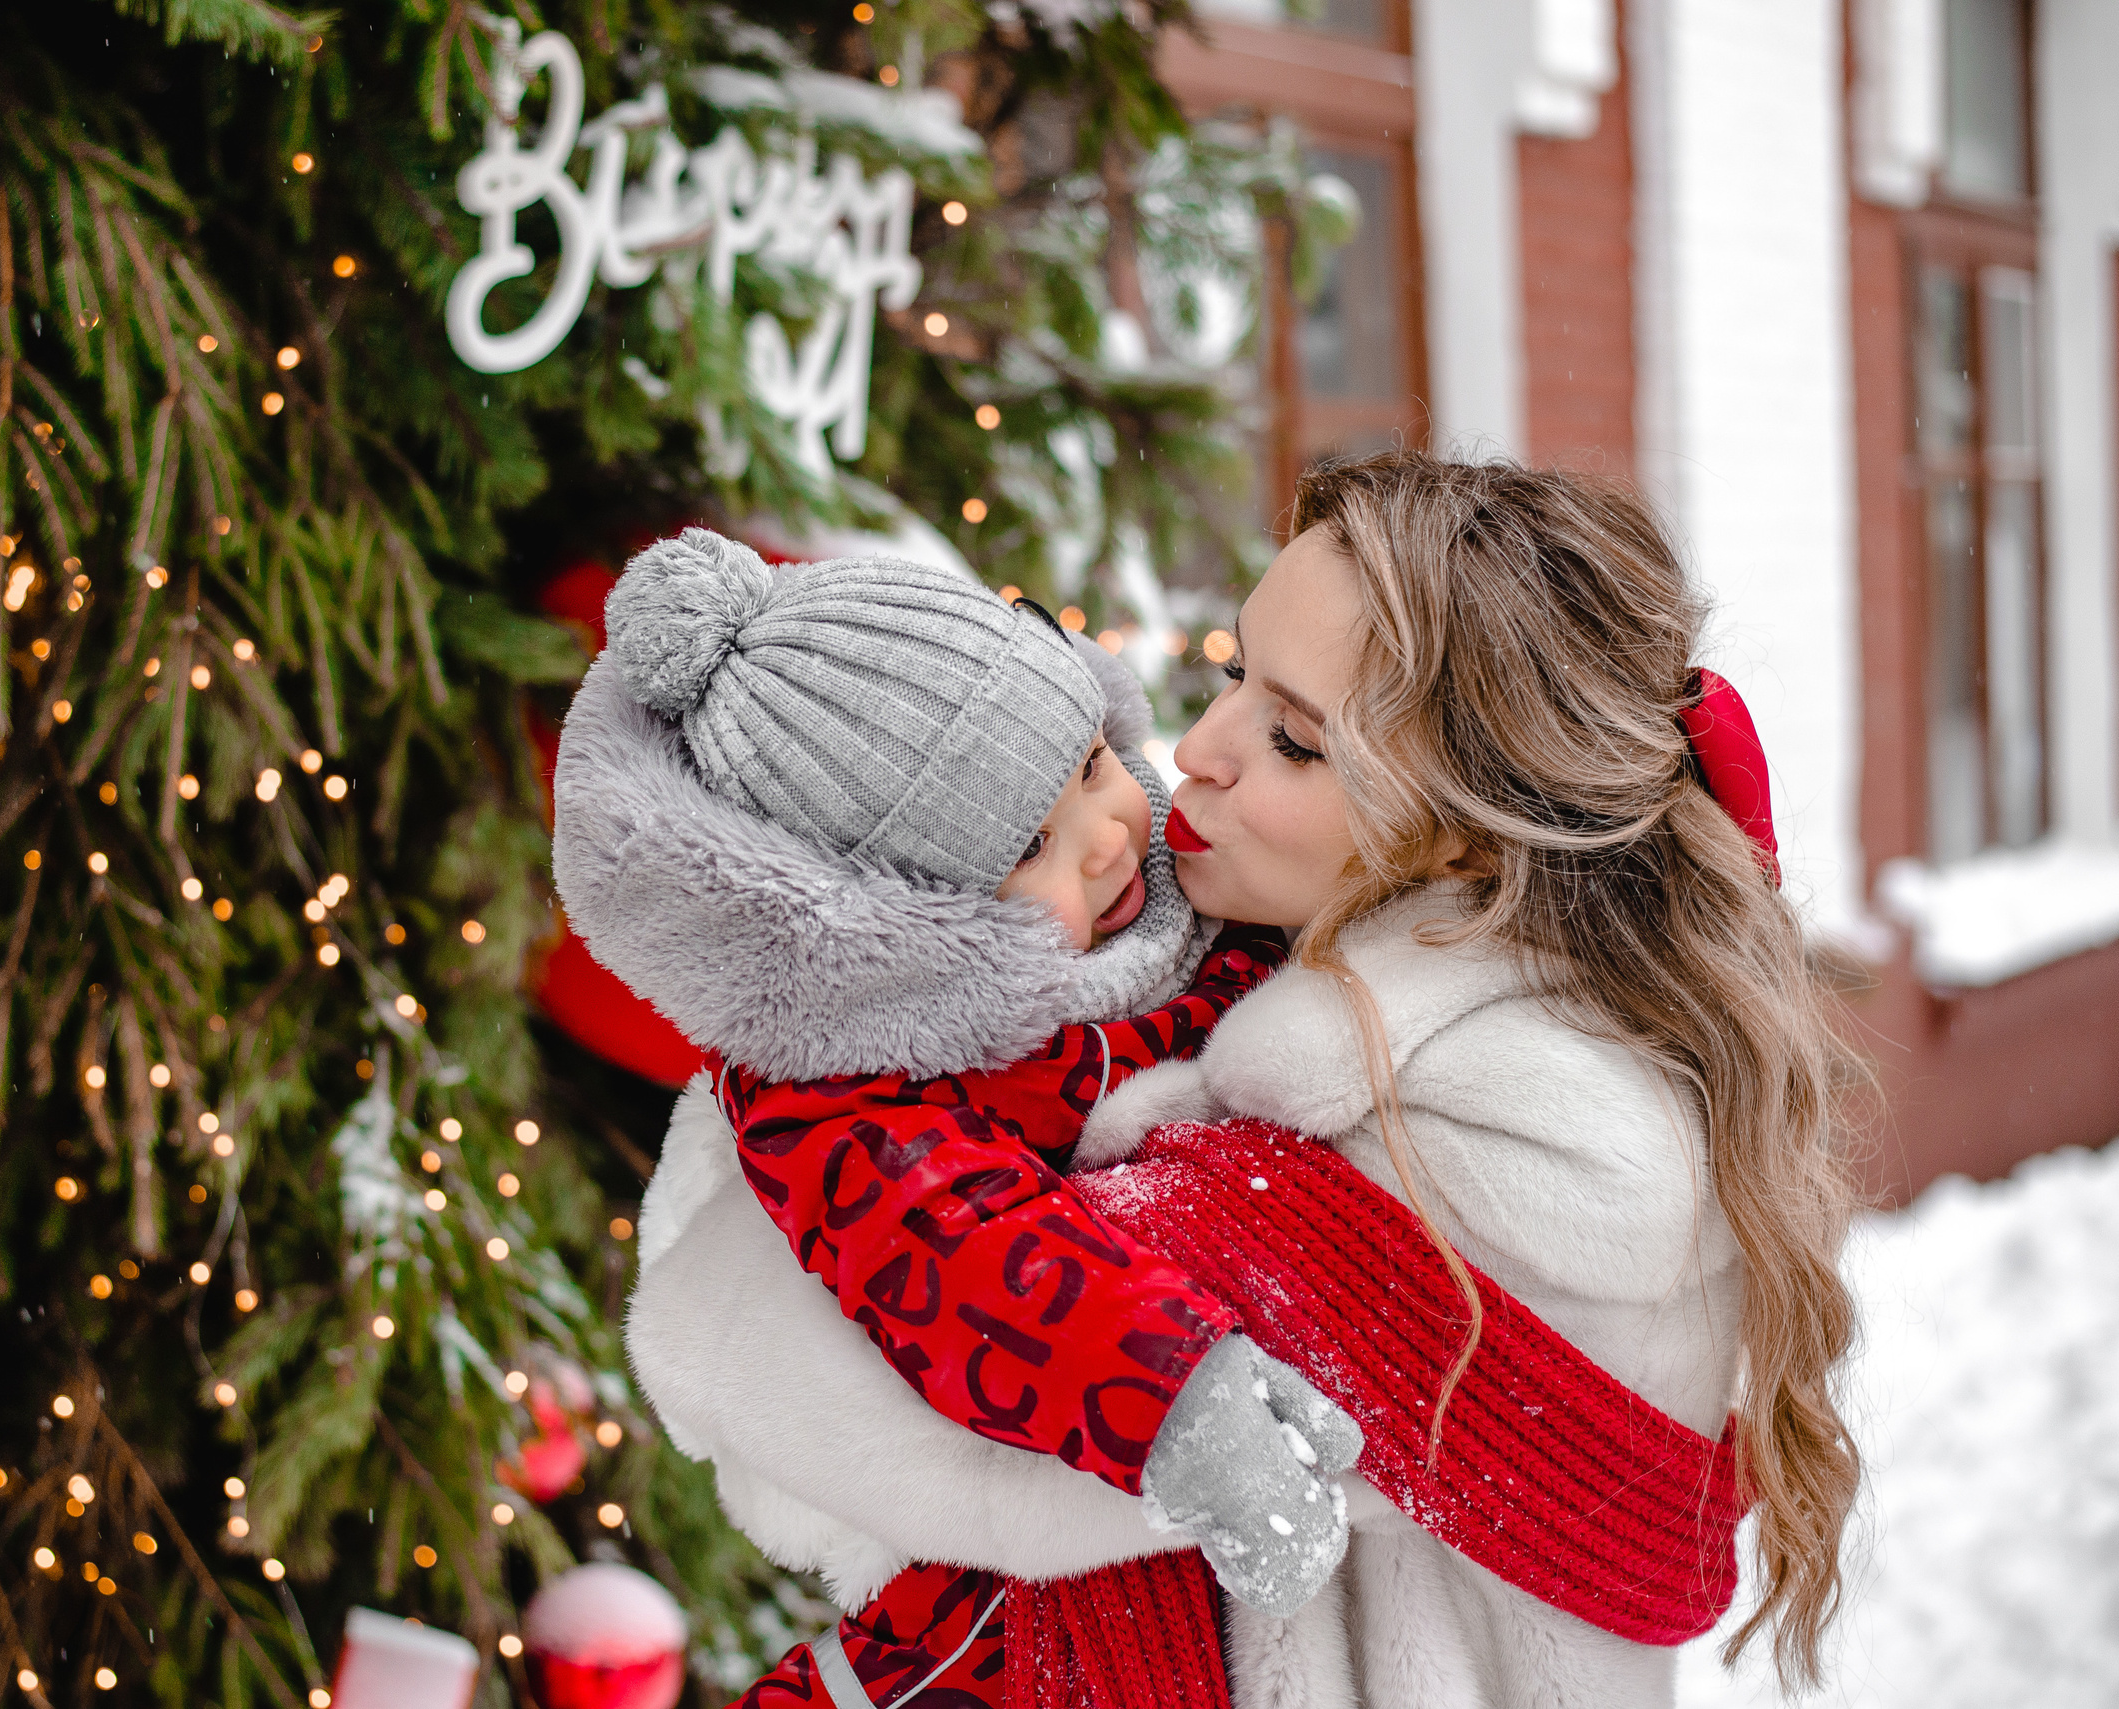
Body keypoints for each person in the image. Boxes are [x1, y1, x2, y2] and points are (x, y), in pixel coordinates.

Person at [632, 455, 1863, 1707]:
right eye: (1231, 674)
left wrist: (792, 1113)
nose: (1195, 751)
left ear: (1462, 830)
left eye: (1290, 738)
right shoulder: (1326, 1000)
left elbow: (839, 1375)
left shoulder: (1503, 1133)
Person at [554, 529, 1360, 1700]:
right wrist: (1177, 1397)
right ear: (894, 922)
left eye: (1090, 762)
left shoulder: (1180, 895)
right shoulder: (848, 1095)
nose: (1106, 835)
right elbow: (967, 1250)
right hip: (1003, 1520)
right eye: (1027, 845)